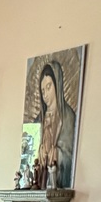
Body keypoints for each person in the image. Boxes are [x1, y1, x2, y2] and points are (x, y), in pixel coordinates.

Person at [34, 60, 78, 189]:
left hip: (56, 177)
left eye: (49, 87)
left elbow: (70, 156)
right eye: (43, 90)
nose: (46, 95)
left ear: (57, 85)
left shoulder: (68, 117)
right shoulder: (39, 120)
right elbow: (30, 152)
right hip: (41, 177)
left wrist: (57, 154)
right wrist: (39, 152)